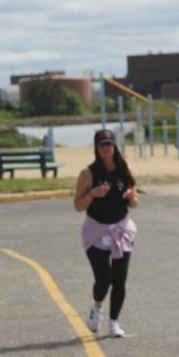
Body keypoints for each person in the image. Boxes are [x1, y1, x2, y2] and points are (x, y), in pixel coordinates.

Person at [73, 128, 139, 337]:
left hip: (121, 229)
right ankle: (96, 307)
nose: (106, 148)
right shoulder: (88, 173)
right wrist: (93, 193)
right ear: (96, 148)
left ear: (114, 146)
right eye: (102, 145)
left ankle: (114, 323)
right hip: (96, 231)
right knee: (104, 280)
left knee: (120, 280)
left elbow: (135, 202)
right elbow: (78, 206)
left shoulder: (124, 170)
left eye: (109, 144)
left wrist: (131, 197)